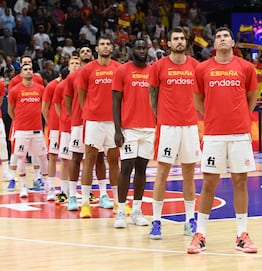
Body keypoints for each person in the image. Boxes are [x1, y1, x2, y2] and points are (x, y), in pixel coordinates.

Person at [188, 26, 258, 254]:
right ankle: (200, 234)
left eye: (226, 36)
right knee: (209, 183)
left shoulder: (246, 68)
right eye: (218, 37)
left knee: (240, 181)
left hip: (239, 134)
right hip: (213, 134)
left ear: (233, 42)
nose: (222, 39)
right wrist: (211, 117)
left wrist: (240, 119)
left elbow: (251, 98)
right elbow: (198, 99)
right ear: (214, 44)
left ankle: (242, 234)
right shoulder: (202, 68)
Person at [148, 26, 201, 239]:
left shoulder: (196, 66)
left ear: (186, 42)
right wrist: (160, 117)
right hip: (168, 127)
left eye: (182, 38)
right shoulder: (158, 66)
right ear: (168, 43)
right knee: (162, 173)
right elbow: (153, 95)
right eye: (175, 39)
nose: (179, 41)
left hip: (189, 126)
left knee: (189, 174)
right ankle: (156, 221)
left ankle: (190, 220)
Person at [112, 38, 154, 228]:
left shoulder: (153, 71)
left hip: (149, 128)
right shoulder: (122, 70)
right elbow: (115, 101)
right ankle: (121, 211)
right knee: (126, 167)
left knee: (142, 169)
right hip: (128, 128)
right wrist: (117, 129)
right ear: (132, 50)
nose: (142, 50)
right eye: (138, 47)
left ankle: (137, 211)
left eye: (144, 47)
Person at [78, 36, 121, 218]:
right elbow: (81, 95)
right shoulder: (87, 70)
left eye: (108, 44)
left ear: (112, 48)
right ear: (97, 48)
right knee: (90, 159)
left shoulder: (119, 68)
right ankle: (85, 204)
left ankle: (119, 202)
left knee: (113, 161)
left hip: (112, 122)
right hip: (94, 121)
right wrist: (90, 113)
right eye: (102, 44)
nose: (105, 46)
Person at [64, 46, 105, 211]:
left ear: (93, 54)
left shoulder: (98, 72)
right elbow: (67, 101)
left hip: (98, 121)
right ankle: (73, 196)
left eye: (88, 51)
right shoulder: (72, 77)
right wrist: (76, 114)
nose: (86, 53)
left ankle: (103, 194)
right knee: (76, 157)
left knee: (100, 157)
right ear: (78, 57)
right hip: (79, 123)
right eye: (83, 52)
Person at [7, 55, 47, 192]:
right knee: (17, 153)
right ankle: (12, 178)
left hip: (35, 125)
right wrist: (17, 120)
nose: (28, 68)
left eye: (30, 64)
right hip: (19, 124)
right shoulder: (14, 83)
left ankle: (37, 179)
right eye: (25, 65)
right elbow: (10, 109)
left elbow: (44, 104)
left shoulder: (39, 82)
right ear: (21, 67)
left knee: (37, 154)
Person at [52, 58, 81, 203]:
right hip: (66, 128)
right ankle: (63, 191)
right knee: (65, 160)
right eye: (72, 63)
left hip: (81, 126)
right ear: (68, 67)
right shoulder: (60, 86)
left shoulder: (84, 82)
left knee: (80, 160)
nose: (75, 65)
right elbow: (57, 106)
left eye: (77, 63)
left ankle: (75, 190)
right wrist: (65, 118)